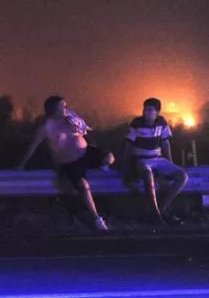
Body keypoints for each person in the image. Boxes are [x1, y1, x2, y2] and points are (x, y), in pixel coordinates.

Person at [17, 95, 114, 231]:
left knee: (109, 157)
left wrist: (79, 127)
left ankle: (102, 166)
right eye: (63, 106)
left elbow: (85, 132)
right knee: (83, 185)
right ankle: (96, 219)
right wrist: (21, 165)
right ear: (54, 110)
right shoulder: (46, 127)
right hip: (71, 161)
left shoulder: (71, 120)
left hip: (86, 152)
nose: (66, 108)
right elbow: (32, 147)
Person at [121, 97, 189, 225]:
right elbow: (128, 143)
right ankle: (157, 215)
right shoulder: (137, 123)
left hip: (158, 159)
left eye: (149, 110)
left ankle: (160, 211)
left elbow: (165, 143)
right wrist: (125, 165)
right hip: (141, 160)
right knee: (148, 175)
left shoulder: (162, 122)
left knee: (182, 176)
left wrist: (170, 163)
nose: (145, 112)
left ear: (157, 112)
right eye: (145, 109)